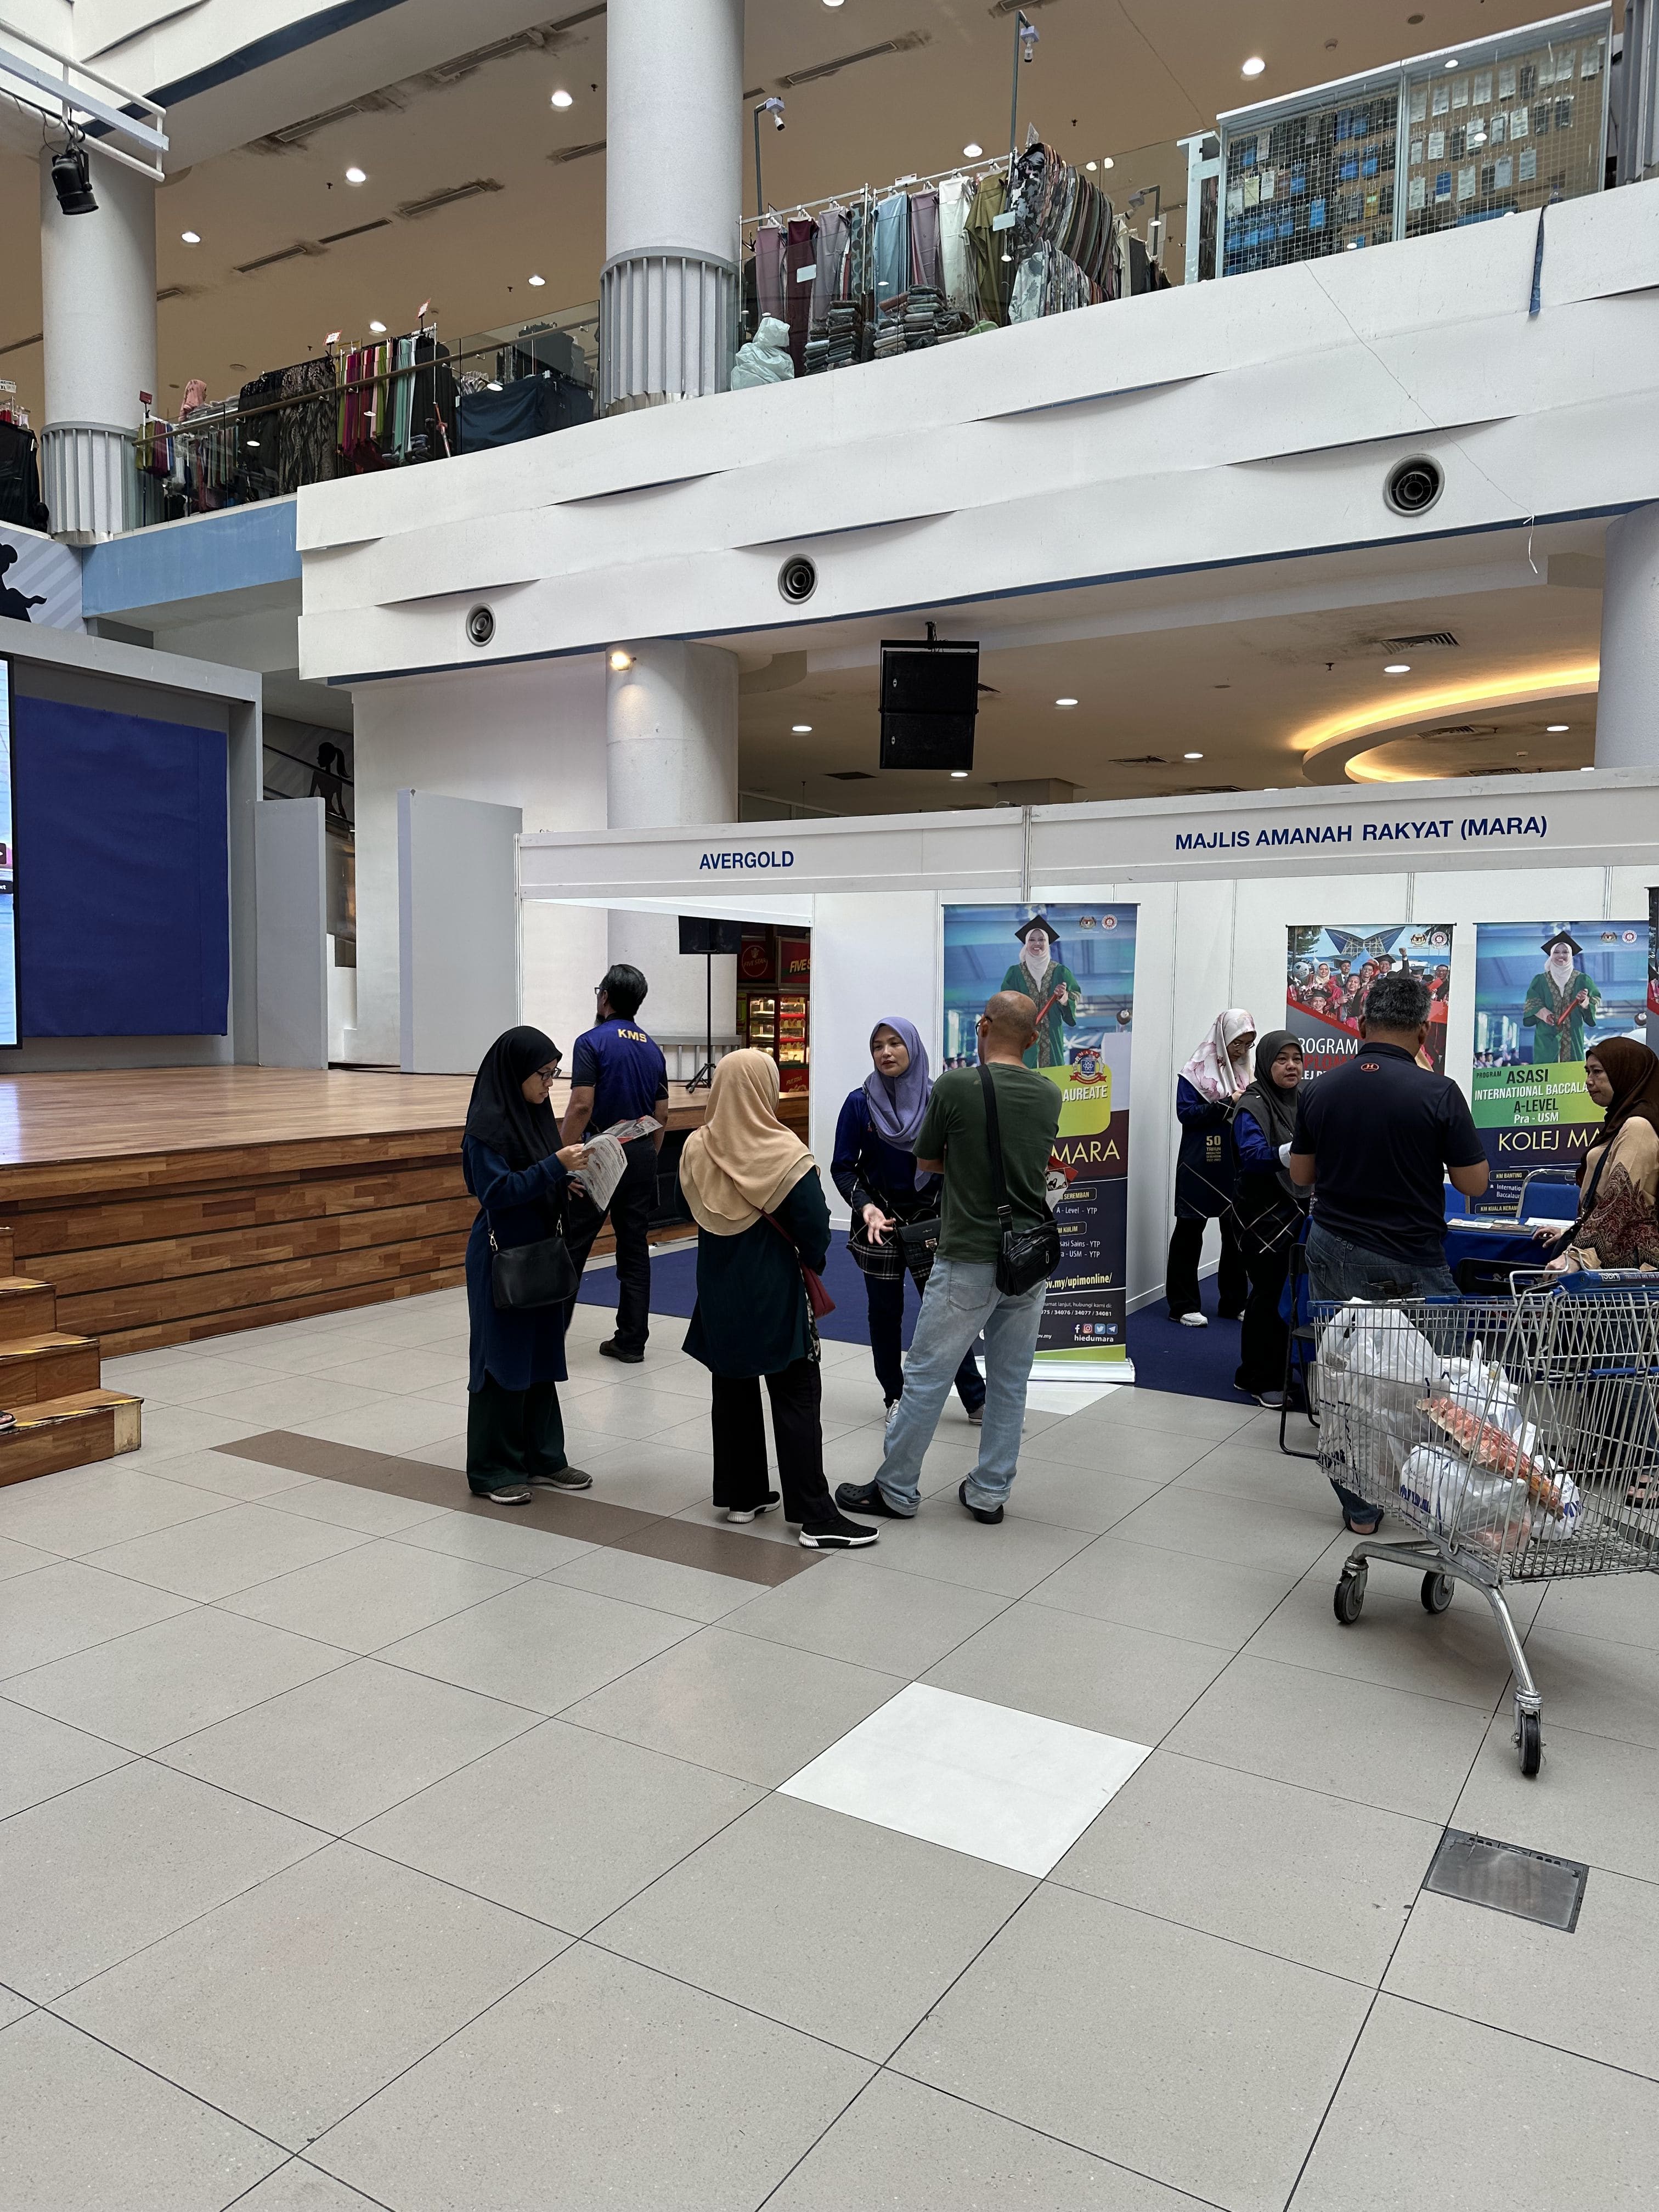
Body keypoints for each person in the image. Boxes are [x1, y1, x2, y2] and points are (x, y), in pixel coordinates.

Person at [837, 990, 1060, 1528]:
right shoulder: (1050, 1094)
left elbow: (928, 1160)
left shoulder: (957, 1086)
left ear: (982, 1027)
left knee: (926, 1375)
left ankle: (896, 1488)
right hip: (1029, 1257)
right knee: (1011, 1381)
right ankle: (989, 1492)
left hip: (968, 1254)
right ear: (1034, 1039)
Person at [1288, 969, 1489, 1533]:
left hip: (1331, 1244)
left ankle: (1359, 1507)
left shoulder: (1320, 1089)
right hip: (1409, 1256)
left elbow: (1301, 1175)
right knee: (1441, 1382)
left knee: (1345, 1374)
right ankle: (1437, 1494)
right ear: (1423, 1032)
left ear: (1361, 1025)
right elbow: (1474, 1183)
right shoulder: (1438, 1092)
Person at [680, 1049, 878, 1550]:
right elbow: (814, 1227)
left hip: (718, 1288)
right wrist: (813, 1259)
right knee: (795, 1393)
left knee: (732, 1386)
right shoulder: (784, 1152)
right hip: (773, 1287)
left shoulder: (697, 1147)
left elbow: (693, 1208)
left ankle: (741, 1495)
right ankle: (815, 1515)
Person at [462, 1026, 594, 1508]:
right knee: (502, 1359)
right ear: (515, 1072)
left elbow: (535, 1175)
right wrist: (555, 1167)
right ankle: (493, 1468)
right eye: (543, 1074)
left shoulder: (535, 1117)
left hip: (540, 1251)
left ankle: (544, 1456)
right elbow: (497, 1192)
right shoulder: (486, 1129)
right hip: (502, 1256)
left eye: (554, 1074)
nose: (549, 1084)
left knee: (540, 1356)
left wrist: (564, 1181)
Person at [832, 1016, 986, 1427]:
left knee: (946, 1315)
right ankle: (894, 1398)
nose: (886, 1053)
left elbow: (959, 1163)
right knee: (884, 1315)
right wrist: (865, 1206)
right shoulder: (859, 1103)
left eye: (895, 1043)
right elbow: (842, 1167)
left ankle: (976, 1400)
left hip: (932, 1225)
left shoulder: (940, 1100)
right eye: (878, 1046)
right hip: (879, 1226)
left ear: (913, 1048)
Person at [560, 963, 670, 1364]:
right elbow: (662, 1114)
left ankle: (548, 1340)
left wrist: (561, 1158)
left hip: (598, 1152)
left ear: (604, 997)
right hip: (640, 1151)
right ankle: (631, 1341)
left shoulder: (591, 1042)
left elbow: (581, 1105)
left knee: (573, 1246)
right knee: (634, 1248)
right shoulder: (653, 1049)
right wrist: (647, 1154)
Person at [1230, 1030, 1307, 1407]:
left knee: (1281, 1293)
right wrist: (1296, 1151)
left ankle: (1251, 1372)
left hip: (1295, 1209)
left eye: (1297, 1059)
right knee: (1268, 1295)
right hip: (1260, 1215)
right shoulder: (1253, 1104)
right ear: (1265, 1063)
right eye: (1282, 1059)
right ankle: (1263, 1380)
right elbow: (1252, 1156)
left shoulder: (1303, 1099)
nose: (1291, 1066)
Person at [1538, 1039, 1659, 1274]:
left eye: (1597, 1072)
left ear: (1627, 1073)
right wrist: (1573, 1232)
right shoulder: (1620, 1121)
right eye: (1587, 1071)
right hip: (1608, 1257)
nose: (1589, 1081)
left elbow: (1620, 1201)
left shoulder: (1639, 1126)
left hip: (1624, 1267)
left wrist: (1578, 1257)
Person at [1166, 1009, 1254, 1327]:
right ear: (1221, 1038)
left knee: (1235, 1235)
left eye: (1247, 1044)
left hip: (1234, 1162)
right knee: (1190, 1232)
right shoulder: (1193, 1073)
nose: (1241, 1050)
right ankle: (1182, 1305)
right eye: (1236, 1043)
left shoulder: (1246, 1074)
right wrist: (1228, 1103)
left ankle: (1234, 1302)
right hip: (1199, 1163)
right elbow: (1186, 1114)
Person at [998, 915, 1081, 1070]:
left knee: (1052, 1078)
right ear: (1026, 943)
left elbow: (1075, 995)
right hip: (1024, 1039)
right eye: (1032, 940)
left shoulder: (1061, 972)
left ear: (1047, 943)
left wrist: (1064, 998)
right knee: (1024, 1076)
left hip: (1053, 1038)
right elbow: (1005, 1002)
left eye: (1042, 940)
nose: (1037, 944)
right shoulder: (1015, 973)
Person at [1523, 930, 1600, 1064]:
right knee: (1546, 1072)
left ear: (1571, 955)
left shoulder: (1583, 979)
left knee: (1571, 1073)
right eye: (1556, 952)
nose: (1561, 955)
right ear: (1551, 955)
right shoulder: (1540, 980)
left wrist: (1585, 1002)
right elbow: (1532, 1001)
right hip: (1547, 1036)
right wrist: (1544, 1014)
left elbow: (1595, 999)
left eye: (1565, 952)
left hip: (1573, 1036)